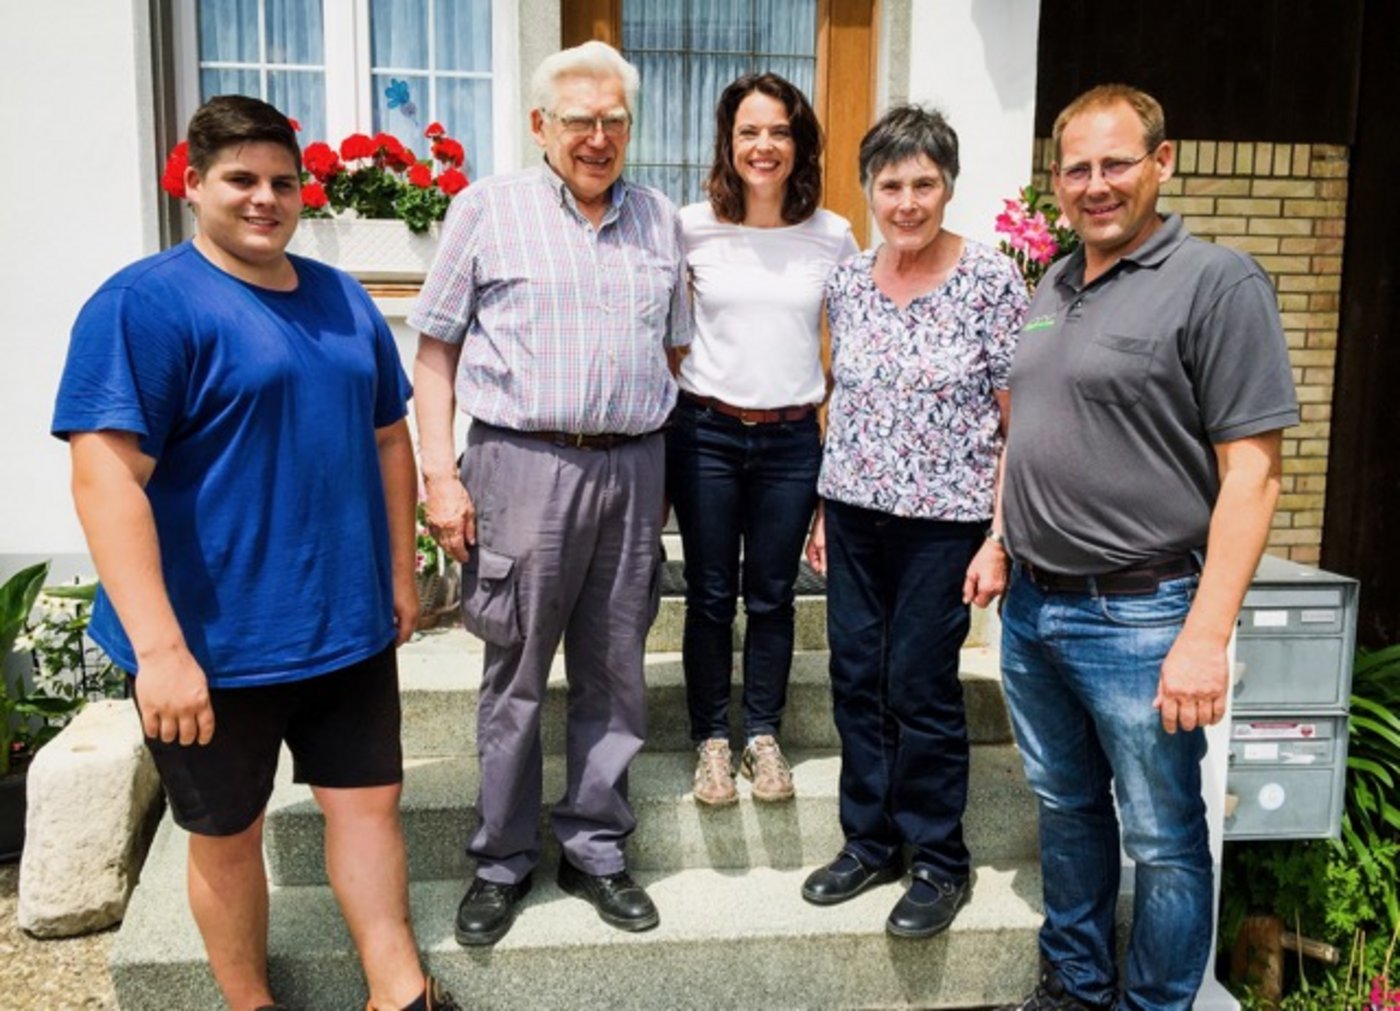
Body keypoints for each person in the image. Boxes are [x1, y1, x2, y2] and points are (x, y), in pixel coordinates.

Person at [51, 95, 458, 1011]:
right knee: (226, 833)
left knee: (367, 808)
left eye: (283, 181)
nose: (265, 198)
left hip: (342, 627)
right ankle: (250, 1001)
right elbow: (105, 478)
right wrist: (159, 652)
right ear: (193, 185)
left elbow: (389, 436)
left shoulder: (340, 296)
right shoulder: (144, 306)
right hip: (209, 645)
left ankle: (397, 988)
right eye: (241, 180)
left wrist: (401, 574)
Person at [997, 84, 1297, 1011]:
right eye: (1078, 168)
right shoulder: (1051, 282)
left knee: (1164, 836)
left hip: (1141, 611)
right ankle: (1078, 986)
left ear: (1161, 164)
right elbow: (1029, 428)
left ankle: (1159, 1002)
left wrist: (1205, 636)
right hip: (1034, 609)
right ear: (1056, 180)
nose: (1097, 185)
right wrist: (1000, 540)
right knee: (1067, 808)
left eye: (1116, 163)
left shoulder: (1218, 282)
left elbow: (1254, 475)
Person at [409, 41, 688, 946]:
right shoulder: (486, 210)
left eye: (614, 121)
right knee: (516, 674)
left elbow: (673, 348)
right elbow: (436, 350)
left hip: (633, 466)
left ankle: (597, 847)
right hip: (522, 465)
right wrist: (440, 475)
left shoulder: (657, 220)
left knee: (616, 670)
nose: (598, 137)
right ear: (541, 125)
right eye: (579, 120)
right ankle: (501, 859)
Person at [800, 105, 1027, 939]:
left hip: (945, 524)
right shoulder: (848, 281)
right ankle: (869, 841)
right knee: (855, 677)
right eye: (890, 184)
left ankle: (939, 858)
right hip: (856, 514)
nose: (906, 201)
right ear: (868, 189)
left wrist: (998, 537)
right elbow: (845, 400)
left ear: (948, 186)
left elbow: (1018, 419)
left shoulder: (993, 279)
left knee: (919, 686)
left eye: (923, 183)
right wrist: (826, 506)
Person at [669, 72, 858, 808]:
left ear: (799, 141)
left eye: (778, 130)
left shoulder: (832, 235)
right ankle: (712, 739)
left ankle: (763, 734)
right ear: (728, 141)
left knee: (774, 595)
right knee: (711, 595)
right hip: (707, 434)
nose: (764, 145)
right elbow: (665, 333)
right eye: (749, 131)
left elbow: (850, 351)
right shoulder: (689, 226)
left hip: (790, 441)